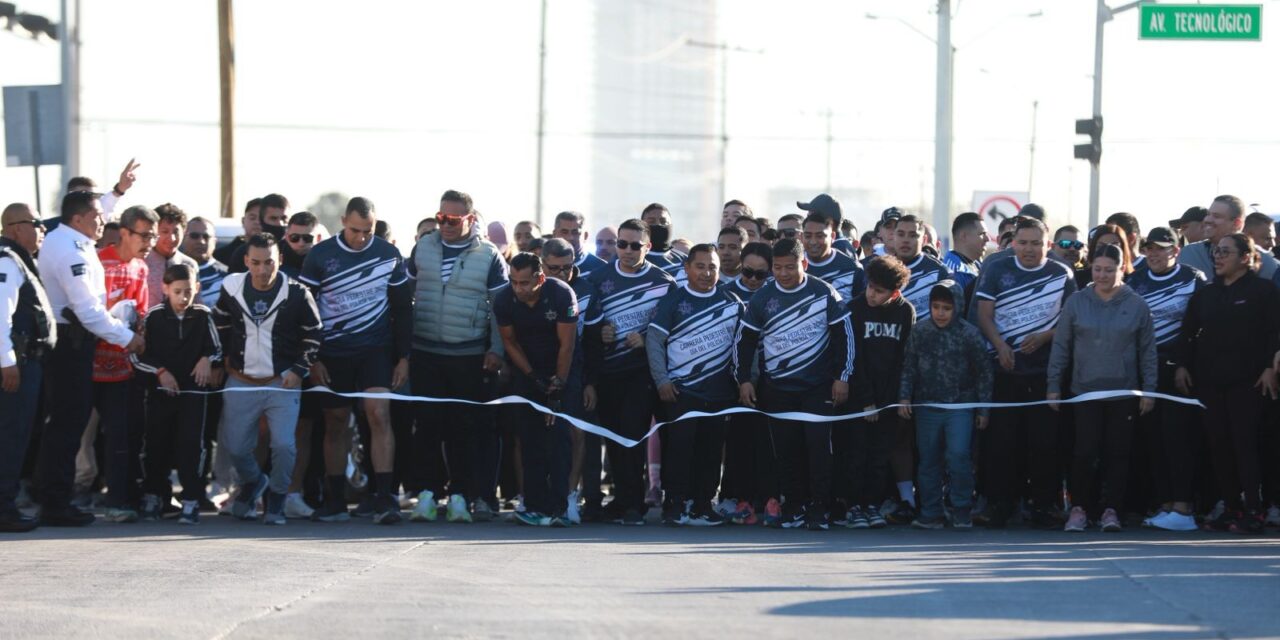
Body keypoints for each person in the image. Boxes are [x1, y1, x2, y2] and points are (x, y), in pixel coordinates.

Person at [300, 197, 412, 525]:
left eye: (368, 230)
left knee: (379, 414)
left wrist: (404, 357)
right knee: (335, 422)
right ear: (342, 223)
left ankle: (385, 496)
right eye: (354, 230)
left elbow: (404, 308)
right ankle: (334, 499)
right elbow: (306, 312)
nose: (361, 237)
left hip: (375, 350)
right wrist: (312, 358)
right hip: (332, 353)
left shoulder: (388, 255)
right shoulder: (320, 256)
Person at [36, 191, 144, 526]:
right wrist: (129, 338)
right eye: (97, 216)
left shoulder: (70, 238)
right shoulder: (70, 251)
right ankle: (55, 503)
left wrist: (117, 192)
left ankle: (53, 497)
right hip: (70, 342)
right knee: (68, 424)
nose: (104, 220)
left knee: (66, 423)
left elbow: (95, 210)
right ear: (79, 219)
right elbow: (88, 311)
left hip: (73, 341)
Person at [735, 238, 853, 531]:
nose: (784, 273)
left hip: (818, 388)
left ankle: (820, 507)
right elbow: (746, 341)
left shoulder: (824, 293)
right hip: (778, 388)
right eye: (778, 267)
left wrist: (842, 377)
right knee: (787, 451)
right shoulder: (762, 297)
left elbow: (845, 338)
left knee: (818, 449)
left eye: (790, 267)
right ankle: (794, 505)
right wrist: (744, 381)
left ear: (804, 264)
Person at [409, 190, 509, 523]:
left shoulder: (489, 255)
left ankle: (460, 496)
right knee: (426, 427)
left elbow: (500, 309)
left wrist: (496, 349)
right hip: (425, 351)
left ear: (470, 218)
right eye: (441, 218)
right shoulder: (423, 247)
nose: (446, 225)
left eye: (453, 220)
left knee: (462, 429)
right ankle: (425, 494)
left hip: (468, 355)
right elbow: (405, 296)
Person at [973, 217, 1077, 528]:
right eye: (1023, 242)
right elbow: (983, 315)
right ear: (1013, 242)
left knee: (1044, 443)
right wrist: (1000, 346)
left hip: (1045, 373)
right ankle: (999, 505)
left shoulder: (1062, 274)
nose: (1029, 249)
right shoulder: (996, 269)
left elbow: (1071, 321)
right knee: (1002, 443)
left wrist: (1046, 336)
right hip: (1005, 370)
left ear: (1048, 245)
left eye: (1036, 243)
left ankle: (1043, 505)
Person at [1047, 243, 1158, 532]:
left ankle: (1112, 510)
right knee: (1084, 451)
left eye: (1109, 270)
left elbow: (1147, 351)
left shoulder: (1136, 305)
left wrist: (1149, 389)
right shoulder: (1077, 302)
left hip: (1124, 392)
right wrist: (1053, 385)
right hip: (1085, 391)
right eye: (1097, 269)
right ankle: (1080, 508)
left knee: (1118, 453)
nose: (1102, 275)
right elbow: (1062, 346)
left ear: (1122, 269)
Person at [213, 233, 322, 525]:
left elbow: (313, 334)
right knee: (235, 446)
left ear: (280, 261)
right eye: (256, 263)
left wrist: (299, 369)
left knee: (284, 445)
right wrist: (218, 360)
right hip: (241, 380)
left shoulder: (298, 292)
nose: (262, 270)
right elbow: (220, 324)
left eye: (269, 263)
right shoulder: (232, 287)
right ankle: (253, 482)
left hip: (281, 383)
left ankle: (276, 498)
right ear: (247, 261)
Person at [1177, 233, 1280, 535]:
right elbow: (1188, 332)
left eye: (1225, 252)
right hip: (1210, 383)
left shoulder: (1264, 291)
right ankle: (1231, 506)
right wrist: (1182, 365)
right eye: (1216, 252)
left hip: (1249, 384)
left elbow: (1275, 332)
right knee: (1218, 446)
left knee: (1245, 447)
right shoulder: (1206, 294)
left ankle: (1254, 509)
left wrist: (1268, 369)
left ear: (1245, 257)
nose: (1218, 257)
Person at [586, 218, 676, 525]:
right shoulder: (598, 278)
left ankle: (634, 504)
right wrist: (602, 332)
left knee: (632, 433)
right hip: (608, 371)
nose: (626, 250)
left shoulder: (664, 282)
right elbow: (588, 324)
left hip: (642, 373)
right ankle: (623, 499)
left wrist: (648, 335)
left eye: (634, 245)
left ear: (648, 247)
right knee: (612, 437)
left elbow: (674, 329)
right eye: (621, 244)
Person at [648, 244, 742, 526]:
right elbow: (654, 341)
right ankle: (674, 504)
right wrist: (662, 380)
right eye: (700, 266)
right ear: (687, 268)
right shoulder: (673, 301)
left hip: (719, 393)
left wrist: (745, 382)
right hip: (681, 392)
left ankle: (703, 504)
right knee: (679, 450)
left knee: (711, 452)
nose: (706, 272)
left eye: (712, 266)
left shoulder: (732, 301)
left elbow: (744, 345)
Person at [1125, 226, 1205, 531]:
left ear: (1176, 250)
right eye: (1150, 248)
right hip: (1145, 371)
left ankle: (1184, 506)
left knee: (1178, 439)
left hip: (1179, 371)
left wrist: (1185, 363)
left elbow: (1200, 328)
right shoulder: (1136, 279)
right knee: (1153, 440)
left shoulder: (1193, 278)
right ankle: (1167, 505)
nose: (1154, 254)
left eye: (1161, 248)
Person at [493, 252, 579, 527]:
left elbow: (567, 345)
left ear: (540, 277)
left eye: (525, 283)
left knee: (559, 439)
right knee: (529, 439)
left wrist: (557, 386)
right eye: (514, 282)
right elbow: (510, 343)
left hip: (562, 368)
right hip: (526, 369)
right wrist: (532, 377)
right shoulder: (505, 299)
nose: (519, 289)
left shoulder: (562, 294)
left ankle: (561, 506)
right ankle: (534, 504)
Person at [898, 280, 992, 529]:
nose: (940, 313)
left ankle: (961, 508)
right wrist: (905, 397)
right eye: (936, 307)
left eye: (946, 308)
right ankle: (931, 511)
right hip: (927, 406)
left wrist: (983, 409)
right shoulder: (920, 331)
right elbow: (909, 366)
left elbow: (984, 373)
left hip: (960, 407)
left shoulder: (969, 334)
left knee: (959, 456)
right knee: (928, 460)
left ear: (957, 307)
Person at [133, 264, 222, 525]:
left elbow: (216, 348)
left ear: (197, 288)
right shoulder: (154, 317)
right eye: (177, 292)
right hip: (161, 393)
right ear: (165, 289)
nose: (183, 298)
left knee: (192, 446)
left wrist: (207, 358)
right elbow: (139, 356)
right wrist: (161, 371)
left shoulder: (204, 316)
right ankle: (153, 495)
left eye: (188, 291)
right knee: (156, 444)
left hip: (194, 393)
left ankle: (191, 499)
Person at [94, 205, 157, 522]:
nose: (149, 242)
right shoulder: (97, 261)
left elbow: (140, 310)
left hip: (123, 364)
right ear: (124, 233)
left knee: (123, 434)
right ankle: (56, 497)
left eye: (153, 236)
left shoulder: (141, 268)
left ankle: (121, 499)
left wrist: (140, 333)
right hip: (87, 363)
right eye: (144, 235)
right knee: (74, 433)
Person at [844, 256, 914, 529]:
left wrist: (894, 399)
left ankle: (872, 504)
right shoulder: (854, 308)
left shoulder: (905, 311)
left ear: (895, 293)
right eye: (870, 287)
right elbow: (854, 358)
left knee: (879, 456)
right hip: (860, 399)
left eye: (879, 291)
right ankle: (853, 506)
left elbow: (903, 359)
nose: (872, 294)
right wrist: (867, 401)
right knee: (856, 454)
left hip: (888, 400)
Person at [538, 239, 603, 523]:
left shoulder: (587, 290)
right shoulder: (532, 287)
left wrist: (591, 382)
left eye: (567, 267)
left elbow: (593, 342)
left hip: (576, 371)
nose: (562, 274)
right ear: (542, 265)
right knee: (541, 436)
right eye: (554, 268)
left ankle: (569, 497)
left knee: (577, 434)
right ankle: (538, 498)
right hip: (539, 370)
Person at [0, 203, 54, 533]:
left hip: (22, 362)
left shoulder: (18, 259)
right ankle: (4, 508)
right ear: (16, 227)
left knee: (17, 435)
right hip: (15, 365)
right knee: (11, 436)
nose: (41, 229)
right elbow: (0, 317)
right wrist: (7, 363)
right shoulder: (7, 260)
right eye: (36, 223)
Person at [718, 242, 779, 526]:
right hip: (735, 377)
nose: (753, 280)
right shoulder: (726, 294)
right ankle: (736, 497)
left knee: (767, 442)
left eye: (760, 274)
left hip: (770, 378)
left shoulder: (776, 294)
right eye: (748, 272)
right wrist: (742, 378)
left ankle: (769, 497)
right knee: (738, 441)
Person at [1181, 195, 1278, 282]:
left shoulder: (1266, 263)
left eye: (1216, 216)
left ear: (1237, 223)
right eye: (1208, 214)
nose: (1208, 220)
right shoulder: (1188, 254)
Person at [893, 214, 951, 322]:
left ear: (924, 240)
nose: (905, 240)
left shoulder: (940, 272)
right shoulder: (880, 269)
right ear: (893, 237)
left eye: (913, 235)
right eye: (901, 234)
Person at [145, 204, 201, 308]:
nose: (172, 238)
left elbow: (196, 304)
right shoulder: (141, 262)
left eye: (176, 232)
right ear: (154, 232)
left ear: (184, 232)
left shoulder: (190, 264)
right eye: (165, 232)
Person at [802, 213, 866, 301]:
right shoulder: (791, 266)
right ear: (802, 236)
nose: (813, 242)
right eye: (808, 236)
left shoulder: (853, 269)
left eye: (820, 236)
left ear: (832, 236)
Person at [228, 194, 291, 274]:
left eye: (284, 218)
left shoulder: (295, 250)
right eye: (273, 218)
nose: (280, 223)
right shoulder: (242, 252)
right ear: (262, 220)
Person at [65, 159, 140, 221]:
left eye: (95, 198)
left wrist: (120, 188)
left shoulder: (99, 227)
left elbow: (106, 204)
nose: (91, 203)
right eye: (84, 198)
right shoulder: (54, 228)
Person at [182, 217, 228, 307]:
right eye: (194, 236)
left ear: (214, 242)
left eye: (206, 237)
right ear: (183, 238)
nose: (201, 241)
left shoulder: (227, 277)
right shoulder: (170, 270)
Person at [551, 211, 608, 277]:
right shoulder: (543, 266)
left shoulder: (601, 268)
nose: (570, 238)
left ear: (585, 236)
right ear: (554, 234)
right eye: (564, 232)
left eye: (575, 232)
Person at [1078, 224, 1133, 290]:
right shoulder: (1078, 279)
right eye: (1101, 246)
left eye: (1114, 247)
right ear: (1093, 249)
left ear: (1124, 250)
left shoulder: (1135, 280)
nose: (1107, 250)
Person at [942, 212, 987, 292]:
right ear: (964, 236)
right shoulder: (951, 271)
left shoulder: (977, 264)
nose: (987, 239)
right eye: (982, 234)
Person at [213, 198, 262, 265]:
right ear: (243, 221)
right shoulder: (221, 255)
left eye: (261, 218)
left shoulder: (277, 252)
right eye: (252, 218)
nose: (257, 222)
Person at [281, 211, 319, 277]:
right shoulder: (275, 254)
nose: (301, 244)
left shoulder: (326, 259)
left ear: (318, 238)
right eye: (294, 237)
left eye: (307, 238)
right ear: (286, 236)